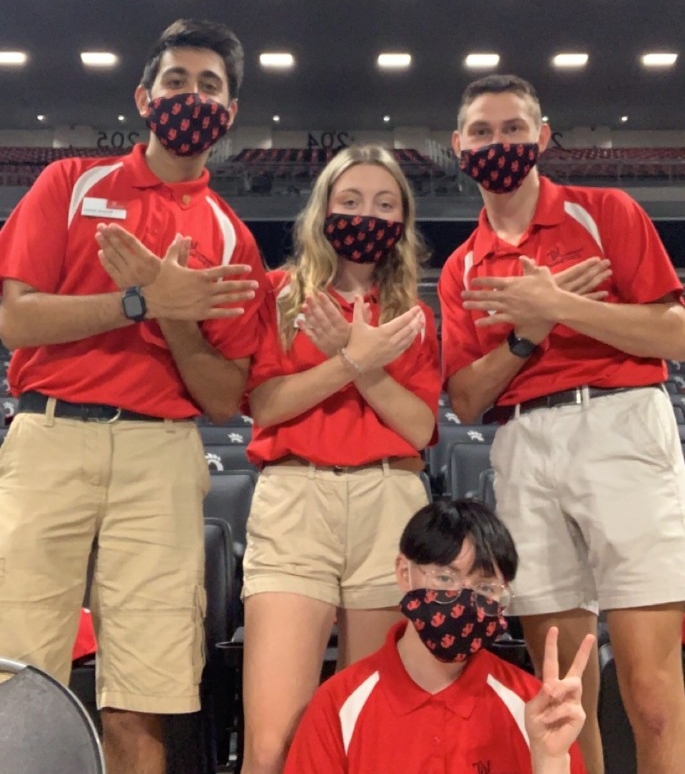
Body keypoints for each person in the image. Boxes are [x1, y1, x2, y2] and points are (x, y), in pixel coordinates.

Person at [0, 19, 265, 774]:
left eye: (209, 85)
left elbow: (223, 397)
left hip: (161, 451)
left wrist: (177, 315)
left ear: (230, 110)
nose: (192, 96)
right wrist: (139, 302)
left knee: (143, 694)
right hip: (51, 435)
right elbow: (16, 319)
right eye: (177, 81)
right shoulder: (71, 183)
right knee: (16, 672)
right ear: (144, 96)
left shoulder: (229, 237)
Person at [439, 73, 685, 774]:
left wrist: (558, 307)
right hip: (521, 442)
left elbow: (672, 333)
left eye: (513, 128)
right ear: (458, 146)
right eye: (482, 132)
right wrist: (524, 335)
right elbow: (464, 400)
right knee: (561, 689)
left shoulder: (603, 211)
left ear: (541, 138)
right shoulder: (462, 267)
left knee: (652, 693)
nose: (498, 143)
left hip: (618, 425)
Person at [239, 143, 441, 774]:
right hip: (296, 498)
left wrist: (362, 361)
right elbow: (267, 405)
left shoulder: (413, 315)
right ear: (322, 210)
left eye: (385, 204)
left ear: (402, 221)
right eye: (350, 201)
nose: (367, 215)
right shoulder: (278, 295)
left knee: (370, 730)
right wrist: (352, 360)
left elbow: (419, 426)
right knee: (273, 739)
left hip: (390, 504)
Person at [283, 498, 593, 774]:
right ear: (405, 573)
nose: (463, 597)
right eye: (445, 577)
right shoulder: (338, 704)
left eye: (485, 588)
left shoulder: (530, 705)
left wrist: (550, 762)